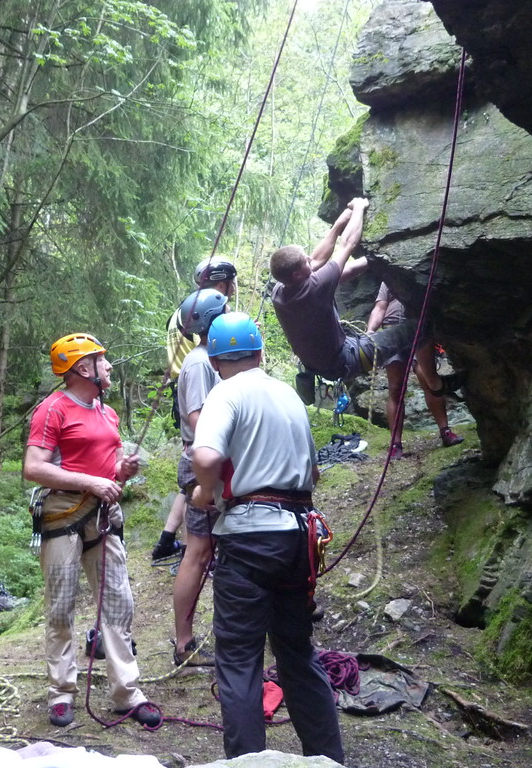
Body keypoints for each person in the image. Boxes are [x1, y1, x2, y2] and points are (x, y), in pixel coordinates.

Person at [191, 313, 344, 763]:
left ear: (216, 361)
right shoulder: (289, 396)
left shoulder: (224, 393)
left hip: (249, 539)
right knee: (297, 652)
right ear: (259, 353)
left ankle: (248, 763)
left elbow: (206, 453)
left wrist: (205, 491)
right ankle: (328, 759)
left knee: (239, 661)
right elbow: (313, 471)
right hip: (298, 539)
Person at [22, 333, 160, 728]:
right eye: (103, 360)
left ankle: (127, 693)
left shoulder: (107, 412)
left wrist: (121, 473)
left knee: (119, 603)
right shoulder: (53, 410)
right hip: (63, 514)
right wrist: (92, 483)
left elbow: (107, 469)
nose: (110, 366)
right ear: (84, 369)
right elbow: (33, 467)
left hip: (102, 514)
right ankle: (61, 693)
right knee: (61, 605)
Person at [270, 197, 414, 383]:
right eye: (305, 260)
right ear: (297, 275)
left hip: (327, 361)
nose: (309, 258)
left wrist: (340, 223)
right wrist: (359, 207)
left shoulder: (280, 290)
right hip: (347, 360)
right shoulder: (314, 289)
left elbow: (318, 260)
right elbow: (348, 245)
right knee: (417, 328)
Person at [152, 257, 239, 562]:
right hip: (199, 396)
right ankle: (195, 553)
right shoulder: (201, 351)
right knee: (200, 501)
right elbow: (198, 417)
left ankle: (170, 540)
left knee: (195, 496)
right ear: (220, 283)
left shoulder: (183, 312)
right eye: (228, 285)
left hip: (190, 390)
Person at [170, 288, 229, 667]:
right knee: (199, 551)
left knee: (213, 548)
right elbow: (197, 418)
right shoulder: (198, 363)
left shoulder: (213, 358)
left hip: (214, 460)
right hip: (201, 462)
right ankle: (184, 642)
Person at [367, 282, 464, 457]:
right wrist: (370, 331)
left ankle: (446, 431)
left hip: (418, 329)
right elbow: (380, 307)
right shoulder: (388, 280)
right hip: (393, 333)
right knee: (396, 387)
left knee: (428, 379)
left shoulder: (411, 277)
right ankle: (395, 444)